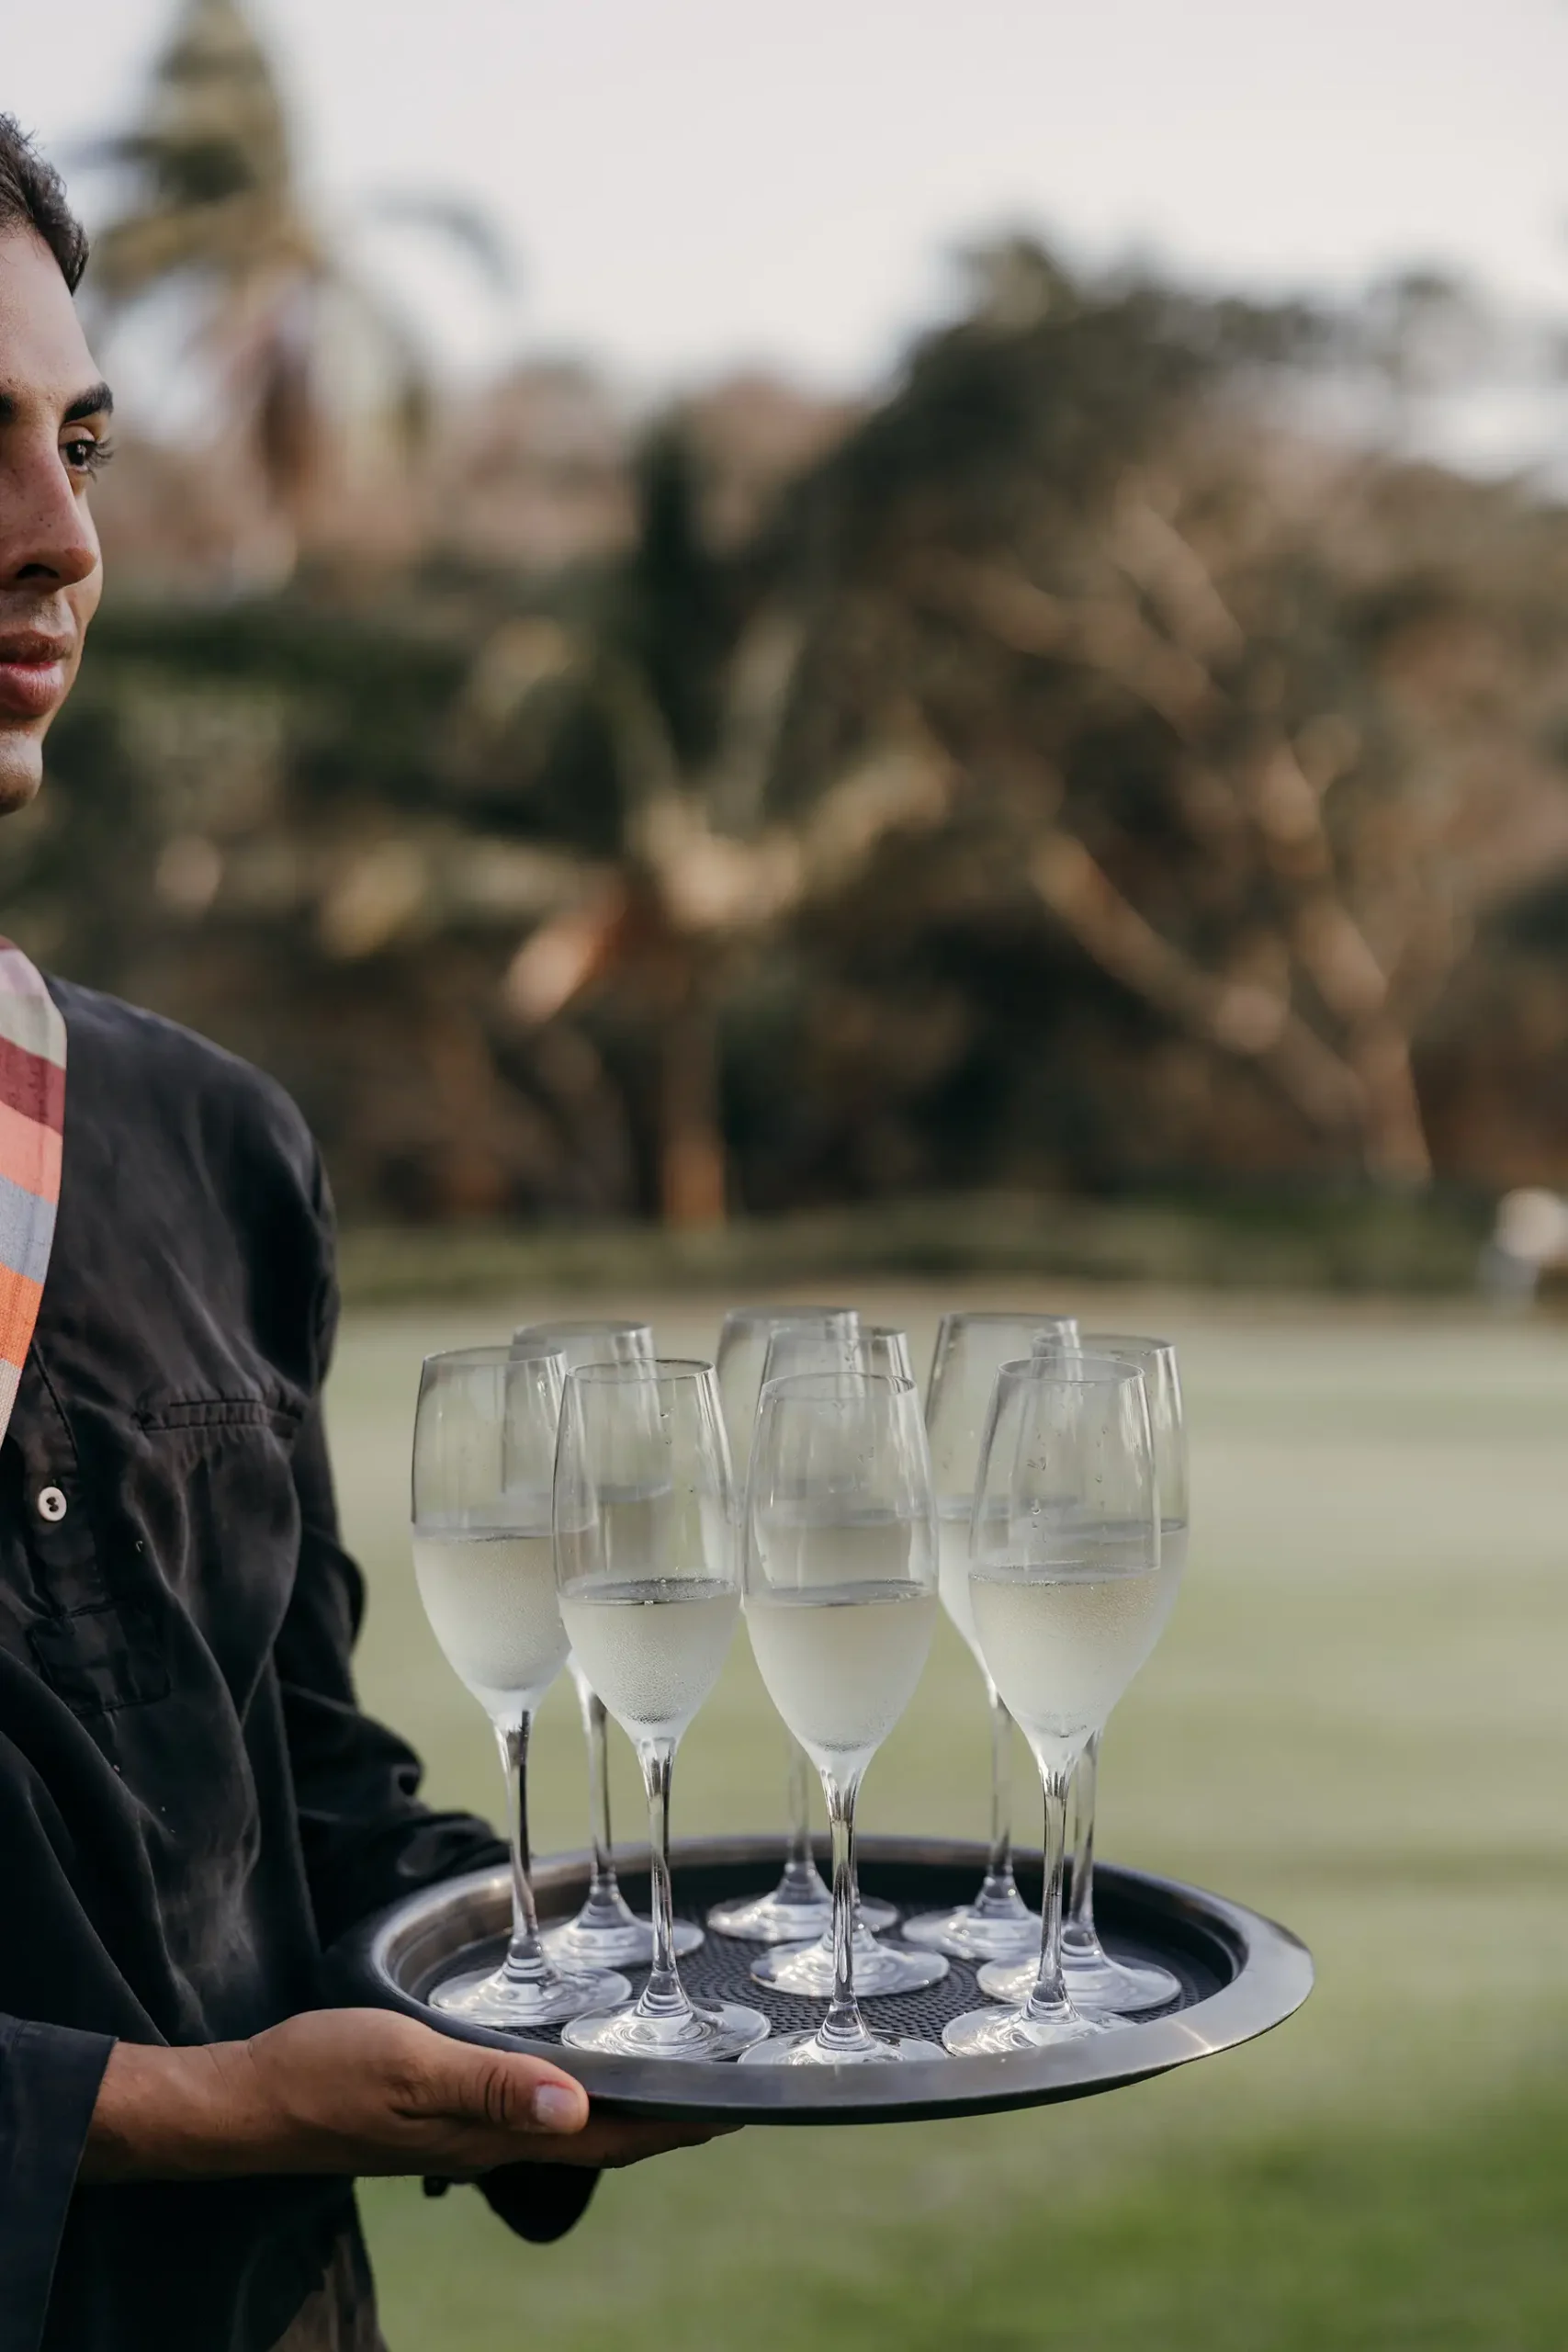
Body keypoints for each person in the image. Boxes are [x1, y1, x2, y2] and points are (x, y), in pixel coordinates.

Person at [0, 118, 721, 2352]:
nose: (61, 537)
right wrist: (155, 2107)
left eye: (83, 442)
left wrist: (590, 1994)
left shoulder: (203, 1140)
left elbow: (306, 1782)